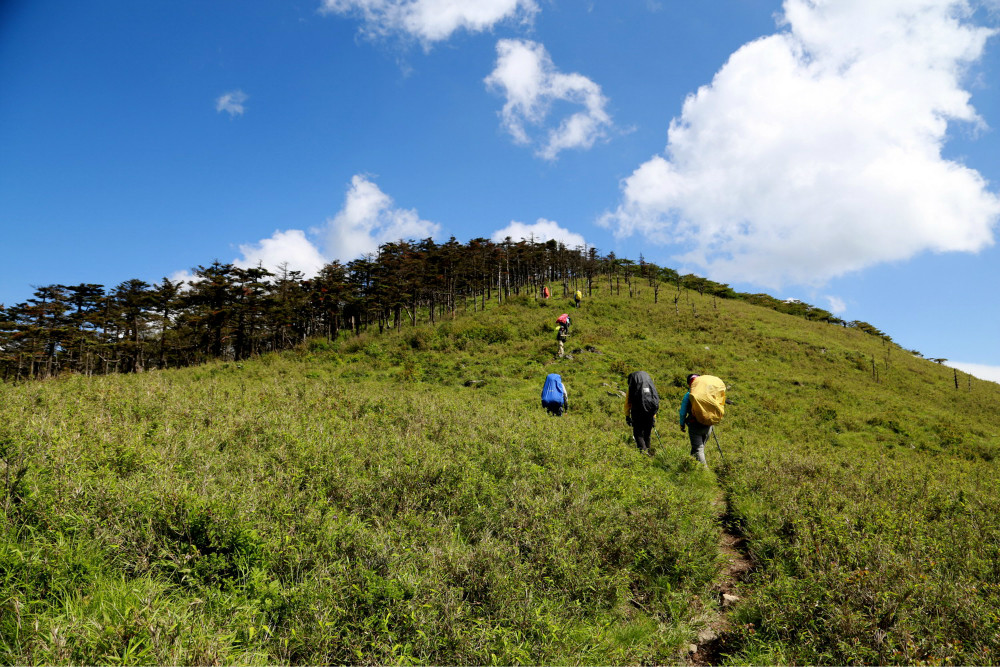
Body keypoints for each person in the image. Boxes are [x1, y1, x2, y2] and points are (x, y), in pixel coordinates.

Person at [625, 370, 659, 455]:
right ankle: (648, 451)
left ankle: (643, 453)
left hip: (637, 412)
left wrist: (627, 416)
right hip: (650, 413)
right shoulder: (650, 386)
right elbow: (654, 401)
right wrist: (653, 417)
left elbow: (627, 403)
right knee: (647, 434)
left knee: (638, 433)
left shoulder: (633, 387)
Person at [679, 373, 710, 465]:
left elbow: (682, 412)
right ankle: (690, 465)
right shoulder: (708, 393)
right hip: (708, 425)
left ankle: (706, 472)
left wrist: (682, 424)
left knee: (698, 449)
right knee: (698, 447)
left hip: (695, 425)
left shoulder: (688, 395)